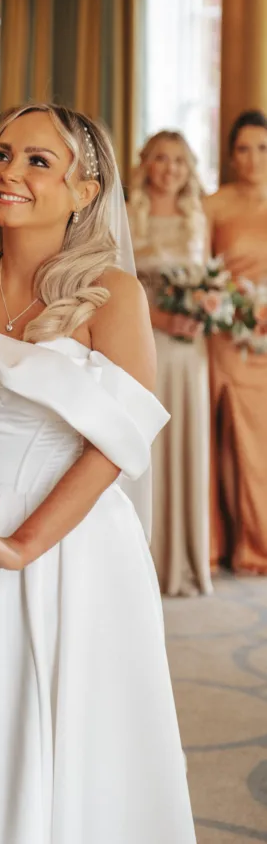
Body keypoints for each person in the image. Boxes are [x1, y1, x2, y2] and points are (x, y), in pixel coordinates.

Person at [0, 104, 196, 844]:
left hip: (67, 550)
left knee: (50, 726)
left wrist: (25, 544)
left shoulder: (111, 295)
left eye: (38, 160)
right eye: (2, 155)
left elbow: (119, 441)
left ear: (85, 188)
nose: (8, 173)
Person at [128, 131, 212, 596]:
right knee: (151, 446)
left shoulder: (200, 216)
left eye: (179, 160)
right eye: (161, 158)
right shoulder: (126, 213)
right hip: (146, 342)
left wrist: (209, 309)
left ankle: (186, 558)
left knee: (188, 443)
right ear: (146, 164)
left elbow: (216, 281)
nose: (170, 168)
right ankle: (149, 555)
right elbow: (117, 281)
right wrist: (160, 317)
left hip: (190, 352)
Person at [205, 109, 267, 574]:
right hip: (230, 334)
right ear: (230, 156)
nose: (252, 158)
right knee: (238, 441)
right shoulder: (214, 205)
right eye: (243, 149)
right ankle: (243, 541)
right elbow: (201, 274)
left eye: (262, 148)